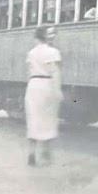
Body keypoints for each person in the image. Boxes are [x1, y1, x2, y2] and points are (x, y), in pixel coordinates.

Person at [24, 26, 63, 166]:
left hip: (33, 85)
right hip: (46, 85)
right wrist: (58, 90)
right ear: (45, 36)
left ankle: (31, 153)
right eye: (50, 34)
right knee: (48, 119)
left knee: (33, 119)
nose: (53, 36)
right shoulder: (53, 52)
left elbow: (29, 72)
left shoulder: (31, 53)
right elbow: (55, 72)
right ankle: (46, 153)